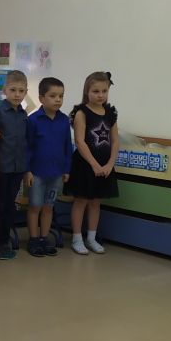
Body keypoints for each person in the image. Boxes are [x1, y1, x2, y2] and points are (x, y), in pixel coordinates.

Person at [64, 72, 119, 255]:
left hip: (104, 165)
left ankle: (91, 238)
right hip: (85, 165)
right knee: (81, 201)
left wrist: (110, 164)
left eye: (104, 91)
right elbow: (80, 142)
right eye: (96, 91)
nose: (100, 95)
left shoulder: (110, 113)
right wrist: (94, 164)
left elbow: (115, 141)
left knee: (96, 202)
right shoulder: (82, 113)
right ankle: (77, 238)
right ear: (87, 91)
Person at [25, 77, 72, 257]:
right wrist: (27, 170)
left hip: (56, 173)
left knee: (48, 206)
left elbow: (67, 146)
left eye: (61, 96)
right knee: (35, 206)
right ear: (41, 98)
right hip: (37, 173)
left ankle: (44, 238)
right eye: (53, 96)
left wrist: (66, 169)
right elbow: (27, 147)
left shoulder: (64, 120)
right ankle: (33, 239)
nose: (58, 100)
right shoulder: (33, 120)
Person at [0, 70, 29, 260]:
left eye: (21, 91)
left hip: (17, 168)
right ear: (4, 90)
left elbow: (25, 143)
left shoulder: (24, 115)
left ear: (26, 92)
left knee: (9, 206)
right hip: (0, 168)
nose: (17, 94)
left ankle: (4, 241)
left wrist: (26, 169)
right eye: (13, 90)